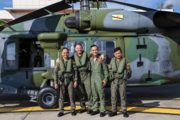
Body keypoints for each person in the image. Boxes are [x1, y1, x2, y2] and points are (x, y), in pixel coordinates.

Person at [56, 43, 105, 114]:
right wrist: (58, 60)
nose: (79, 49)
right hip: (78, 75)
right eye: (77, 48)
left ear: (82, 48)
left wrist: (102, 55)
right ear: (75, 49)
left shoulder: (87, 54)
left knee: (89, 92)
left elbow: (94, 54)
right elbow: (66, 58)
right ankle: (83, 107)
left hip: (86, 74)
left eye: (80, 48)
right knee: (80, 92)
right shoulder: (73, 57)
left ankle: (90, 107)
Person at [54, 48, 78, 117]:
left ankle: (73, 110)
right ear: (61, 53)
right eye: (64, 52)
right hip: (61, 81)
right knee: (61, 97)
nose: (65, 54)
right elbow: (55, 72)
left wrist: (75, 81)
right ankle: (61, 111)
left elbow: (75, 71)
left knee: (72, 96)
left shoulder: (72, 61)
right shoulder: (58, 62)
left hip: (70, 80)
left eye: (67, 52)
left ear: (68, 53)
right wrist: (55, 82)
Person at [108, 47, 129, 117]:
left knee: (123, 96)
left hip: (121, 81)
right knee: (113, 97)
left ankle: (124, 111)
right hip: (114, 81)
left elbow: (129, 71)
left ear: (121, 53)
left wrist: (127, 75)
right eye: (116, 53)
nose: (118, 55)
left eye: (119, 53)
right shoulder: (112, 61)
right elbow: (109, 69)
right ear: (114, 54)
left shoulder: (125, 61)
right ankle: (114, 111)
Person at [90, 45, 108, 117]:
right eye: (93, 50)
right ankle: (95, 109)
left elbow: (105, 70)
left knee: (101, 95)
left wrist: (105, 79)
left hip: (99, 79)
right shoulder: (90, 59)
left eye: (96, 50)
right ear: (91, 51)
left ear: (98, 50)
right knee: (94, 95)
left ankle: (103, 110)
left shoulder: (101, 59)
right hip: (92, 79)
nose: (95, 51)